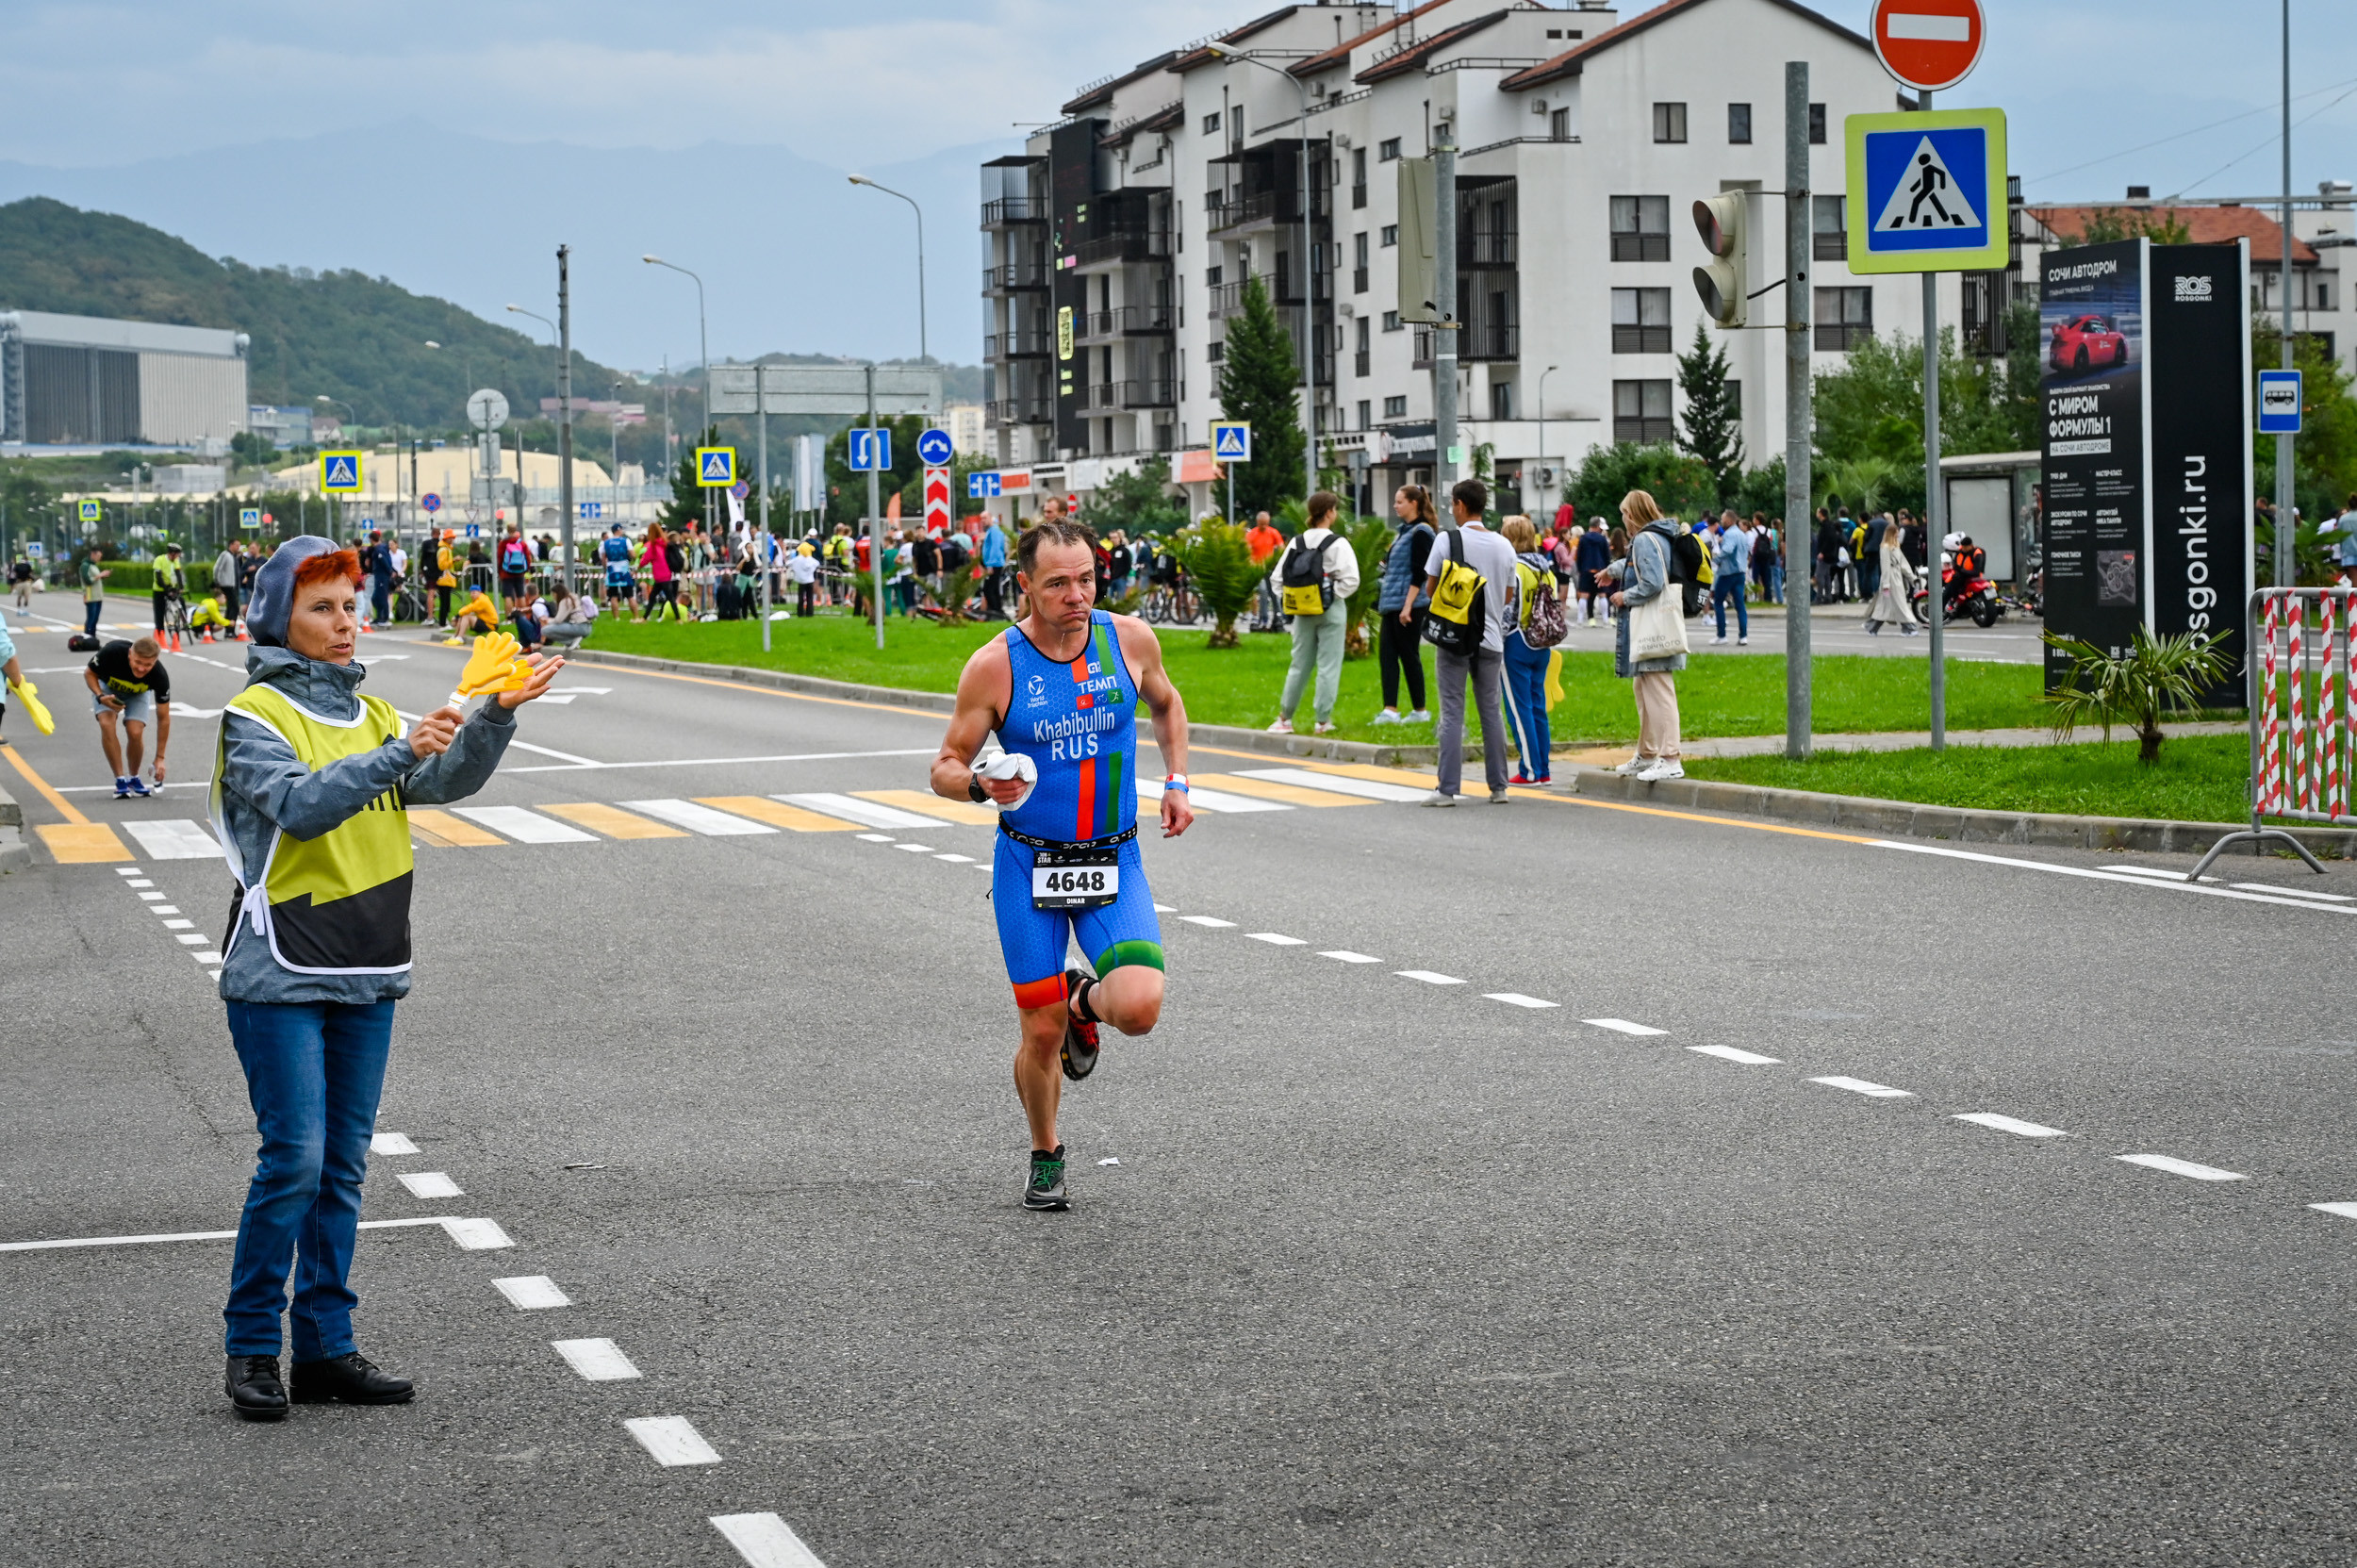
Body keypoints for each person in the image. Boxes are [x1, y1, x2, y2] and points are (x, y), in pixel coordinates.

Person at [212, 535, 559, 1421]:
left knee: (343, 1166)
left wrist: (494, 717)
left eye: (350, 605)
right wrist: (401, 751)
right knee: (293, 1158)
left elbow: (443, 780)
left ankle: (325, 1348)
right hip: (279, 966)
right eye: (321, 606)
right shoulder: (252, 714)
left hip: (368, 957)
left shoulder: (372, 717)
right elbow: (301, 802)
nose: (342, 622)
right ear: (276, 616)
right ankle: (253, 1345)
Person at [929, 518, 1195, 1212]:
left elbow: (1168, 706)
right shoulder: (996, 665)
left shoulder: (1129, 639)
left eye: (1086, 579)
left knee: (1138, 1008)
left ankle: (1083, 999)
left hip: (1114, 856)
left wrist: (1177, 780)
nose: (1077, 595)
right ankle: (1046, 1152)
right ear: (1025, 586)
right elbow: (945, 766)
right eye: (1057, 584)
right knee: (1041, 1032)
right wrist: (983, 785)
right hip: (1028, 864)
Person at [1420, 478, 1517, 807]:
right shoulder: (1505, 545)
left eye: (1452, 504)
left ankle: (1447, 790)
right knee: (1491, 711)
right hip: (1491, 639)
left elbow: (1432, 591)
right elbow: (1507, 595)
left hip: (1453, 639)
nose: (1451, 509)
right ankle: (1498, 787)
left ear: (1461, 505)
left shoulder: (1447, 541)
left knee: (1451, 712)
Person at [1600, 490, 1686, 782]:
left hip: (1654, 629)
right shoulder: (1656, 536)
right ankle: (1648, 753)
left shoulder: (1646, 539)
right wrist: (1612, 571)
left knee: (1660, 692)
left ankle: (1670, 757)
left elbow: (1652, 582)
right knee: (1644, 687)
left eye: (1624, 513)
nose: (1622, 519)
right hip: (1654, 627)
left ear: (1633, 515)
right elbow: (1634, 565)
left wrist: (1626, 595)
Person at [1266, 490, 1361, 736]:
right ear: (1330, 513)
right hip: (1330, 611)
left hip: (1301, 611)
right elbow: (1352, 579)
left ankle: (1284, 718)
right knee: (1328, 666)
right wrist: (1331, 595)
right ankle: (1322, 721)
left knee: (1299, 665)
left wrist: (1292, 600)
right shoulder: (1338, 543)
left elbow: (1277, 579)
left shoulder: (1296, 542)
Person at [1499, 516, 1558, 785]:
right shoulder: (1546, 569)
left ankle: (1530, 770)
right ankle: (1543, 768)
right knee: (1537, 708)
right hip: (1542, 643)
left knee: (1518, 709)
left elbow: (1507, 611)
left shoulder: (1514, 568)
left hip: (1516, 641)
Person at [1373, 484, 1436, 724]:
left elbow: (1420, 572)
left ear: (1414, 503)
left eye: (1400, 502)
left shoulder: (1421, 532)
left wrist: (1408, 605)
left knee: (1409, 655)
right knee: (1388, 655)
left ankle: (1420, 710)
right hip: (1393, 602)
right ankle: (1390, 709)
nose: (1395, 506)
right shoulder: (1404, 531)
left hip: (1408, 604)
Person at [85, 633, 173, 797]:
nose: (141, 668)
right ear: (130, 654)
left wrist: (160, 758)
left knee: (135, 731)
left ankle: (134, 777)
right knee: (107, 723)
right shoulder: (112, 652)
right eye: (138, 662)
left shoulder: (159, 675)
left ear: (155, 661)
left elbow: (164, 718)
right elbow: (89, 673)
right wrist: (100, 696)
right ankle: (120, 780)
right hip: (107, 690)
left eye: (148, 664)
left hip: (137, 694)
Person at [1862, 516, 1921, 636]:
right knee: (1897, 605)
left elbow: (1903, 564)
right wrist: (1886, 584)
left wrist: (1912, 578)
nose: (1898, 535)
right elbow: (1885, 567)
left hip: (1896, 579)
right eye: (1896, 533)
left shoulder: (1895, 547)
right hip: (1890, 581)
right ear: (1892, 533)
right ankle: (1909, 627)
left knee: (1885, 607)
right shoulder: (1885, 548)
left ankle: (1872, 627)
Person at [1709, 509, 1752, 646]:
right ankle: (1743, 636)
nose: (1721, 522)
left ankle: (1722, 636)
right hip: (1740, 572)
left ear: (1728, 520)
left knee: (1718, 602)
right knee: (1740, 604)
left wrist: (1715, 559)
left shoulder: (1729, 534)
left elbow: (1727, 550)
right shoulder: (1741, 534)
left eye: (1723, 519)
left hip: (1727, 572)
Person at [1246, 510, 1283, 630]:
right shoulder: (1252, 534)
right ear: (1257, 522)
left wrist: (1278, 560)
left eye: (1266, 523)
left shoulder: (1273, 532)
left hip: (1269, 567)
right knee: (1263, 591)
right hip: (1258, 569)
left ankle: (1278, 618)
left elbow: (1281, 547)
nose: (1263, 526)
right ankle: (1263, 618)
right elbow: (1246, 551)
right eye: (1261, 524)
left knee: (1274, 593)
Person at [1574, 520, 1614, 626]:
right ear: (1597, 526)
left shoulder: (1583, 538)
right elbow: (1607, 556)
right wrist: (1606, 570)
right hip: (1600, 569)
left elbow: (1579, 555)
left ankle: (1580, 619)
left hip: (1586, 569)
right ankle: (1606, 619)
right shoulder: (1602, 539)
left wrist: (1580, 568)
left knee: (1584, 595)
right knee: (1602, 594)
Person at [152, 543, 187, 639]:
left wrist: (181, 587)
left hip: (172, 587)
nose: (178, 556)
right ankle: (160, 632)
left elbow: (178, 574)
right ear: (172, 553)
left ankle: (184, 620)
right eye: (177, 554)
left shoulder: (175, 560)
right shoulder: (160, 559)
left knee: (182, 601)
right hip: (160, 588)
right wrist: (166, 589)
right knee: (159, 612)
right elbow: (158, 577)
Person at [496, 523, 532, 609]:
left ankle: (509, 617)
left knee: (508, 595)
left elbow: (500, 557)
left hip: (506, 572)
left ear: (507, 530)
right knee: (521, 595)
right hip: (520, 572)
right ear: (516, 530)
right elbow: (528, 557)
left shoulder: (503, 543)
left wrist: (500, 571)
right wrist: (526, 569)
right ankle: (522, 615)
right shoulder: (522, 543)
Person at [81, 544, 109, 639]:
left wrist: (102, 575)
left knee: (96, 618)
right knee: (91, 618)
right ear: (93, 554)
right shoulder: (85, 566)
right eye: (98, 556)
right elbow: (87, 580)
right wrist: (100, 575)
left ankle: (93, 637)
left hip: (98, 596)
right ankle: (87, 636)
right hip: (91, 595)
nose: (99, 559)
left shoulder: (93, 566)